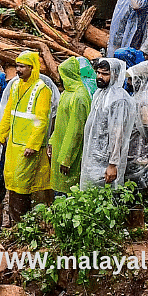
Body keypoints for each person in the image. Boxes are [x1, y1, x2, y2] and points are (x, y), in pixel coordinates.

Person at [0, 51, 53, 223]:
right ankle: (14, 221)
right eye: (17, 66)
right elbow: (8, 114)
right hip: (13, 145)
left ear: (31, 68)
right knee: (12, 181)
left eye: (21, 66)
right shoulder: (14, 86)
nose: (18, 70)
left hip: (27, 147)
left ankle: (23, 222)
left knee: (23, 184)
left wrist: (33, 145)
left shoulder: (42, 89)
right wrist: (0, 136)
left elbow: (41, 120)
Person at [81, 58, 137, 190]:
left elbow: (118, 133)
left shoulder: (119, 99)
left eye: (105, 74)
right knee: (88, 197)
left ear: (116, 75)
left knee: (105, 198)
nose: (100, 77)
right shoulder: (100, 93)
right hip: (94, 155)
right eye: (98, 73)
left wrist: (113, 163)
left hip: (106, 159)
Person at [49, 57, 92, 197]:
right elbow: (60, 123)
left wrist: (66, 158)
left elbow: (76, 131)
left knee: (67, 194)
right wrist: (51, 142)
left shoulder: (79, 96)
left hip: (69, 157)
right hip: (59, 149)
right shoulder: (67, 92)